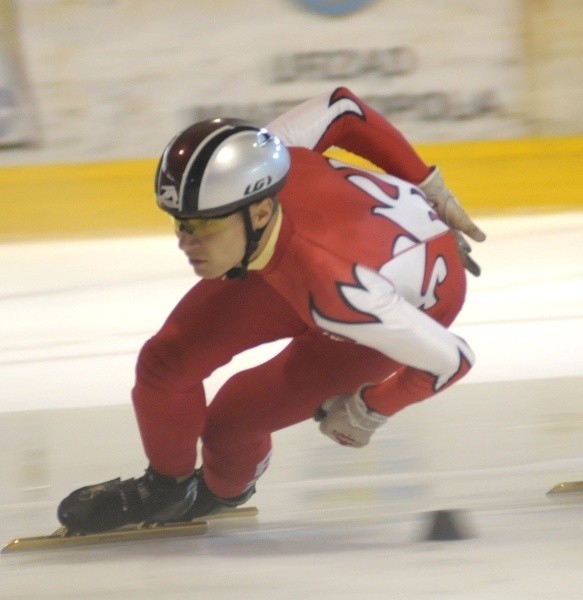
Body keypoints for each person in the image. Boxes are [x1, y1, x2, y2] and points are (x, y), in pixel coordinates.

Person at [57, 87, 485, 534]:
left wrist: (370, 408)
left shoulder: (340, 293)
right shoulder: (269, 154)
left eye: (204, 226)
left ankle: (221, 491)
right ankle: (166, 489)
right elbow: (344, 108)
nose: (185, 242)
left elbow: (452, 359)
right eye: (180, 222)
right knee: (167, 361)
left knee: (227, 427)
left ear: (260, 212)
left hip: (375, 304)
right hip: (310, 257)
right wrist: (427, 185)